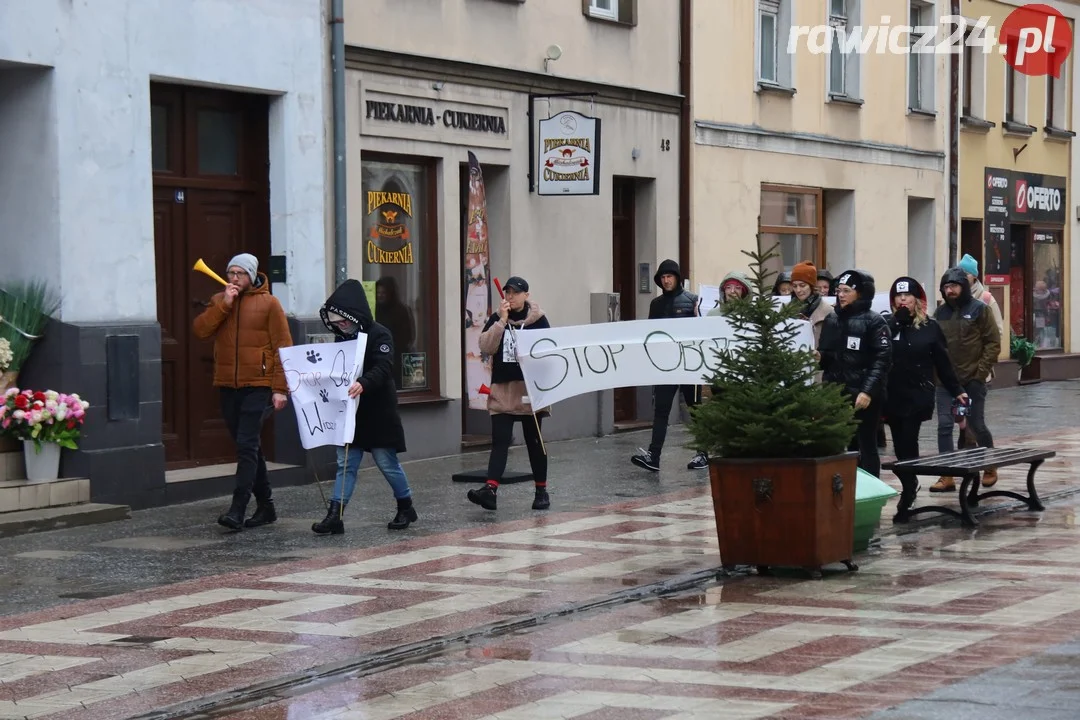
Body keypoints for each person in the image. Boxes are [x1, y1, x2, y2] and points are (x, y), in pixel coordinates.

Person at [192, 253, 292, 530]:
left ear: (252, 275)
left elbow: (283, 346)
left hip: (258, 386)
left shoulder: (270, 303)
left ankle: (237, 509)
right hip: (228, 385)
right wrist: (224, 304)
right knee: (248, 446)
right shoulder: (220, 300)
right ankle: (267, 506)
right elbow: (200, 330)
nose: (234, 278)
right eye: (231, 273)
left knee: (247, 445)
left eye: (240, 273)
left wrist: (280, 389)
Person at [311, 279, 418, 534]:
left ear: (355, 315)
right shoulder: (342, 339)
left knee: (385, 460)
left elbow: (383, 366)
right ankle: (334, 515)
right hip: (351, 410)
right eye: (336, 323)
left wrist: (363, 383)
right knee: (345, 462)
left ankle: (406, 505)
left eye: (343, 321)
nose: (340, 327)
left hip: (378, 409)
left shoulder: (380, 333)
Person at [883, 276, 967, 519]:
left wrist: (956, 389)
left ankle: (909, 490)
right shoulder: (888, 325)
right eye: (898, 296)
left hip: (918, 393)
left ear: (916, 299)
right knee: (899, 445)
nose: (902, 300)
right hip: (893, 394)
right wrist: (895, 325)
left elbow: (943, 363)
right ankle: (910, 481)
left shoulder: (930, 327)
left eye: (906, 296)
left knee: (909, 440)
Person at [468, 276, 551, 511]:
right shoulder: (497, 318)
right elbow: (485, 347)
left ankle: (541, 490)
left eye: (516, 292)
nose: (511, 296)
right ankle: (490, 490)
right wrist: (501, 322)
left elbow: (548, 350)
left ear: (526, 295)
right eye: (508, 292)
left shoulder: (538, 320)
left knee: (535, 442)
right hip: (503, 390)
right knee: (500, 441)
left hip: (529, 390)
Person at [631, 260, 708, 473]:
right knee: (661, 411)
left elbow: (704, 329)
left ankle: (703, 453)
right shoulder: (656, 304)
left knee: (695, 409)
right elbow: (651, 333)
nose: (666, 280)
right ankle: (653, 456)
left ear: (677, 277)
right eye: (663, 277)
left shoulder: (692, 300)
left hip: (689, 365)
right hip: (665, 366)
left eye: (669, 276)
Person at [930, 267, 1001, 492]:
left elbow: (992, 343)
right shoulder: (939, 314)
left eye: (954, 286)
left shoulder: (980, 309)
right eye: (946, 287)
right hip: (945, 381)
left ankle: (989, 465)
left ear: (964, 286)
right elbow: (934, 345)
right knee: (944, 426)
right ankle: (947, 473)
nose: (950, 290)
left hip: (973, 379)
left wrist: (980, 374)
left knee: (976, 425)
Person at [818, 269, 892, 478]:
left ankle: (870, 489)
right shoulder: (832, 319)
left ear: (861, 293)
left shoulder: (875, 322)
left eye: (847, 291)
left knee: (866, 443)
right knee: (846, 446)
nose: (841, 295)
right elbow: (829, 355)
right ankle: (849, 491)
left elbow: (882, 360)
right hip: (837, 394)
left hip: (864, 396)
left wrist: (867, 391)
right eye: (839, 290)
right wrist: (819, 357)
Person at [958, 254, 1004, 382]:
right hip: (957, 370)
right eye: (960, 273)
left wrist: (983, 366)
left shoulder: (986, 299)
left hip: (978, 370)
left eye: (966, 274)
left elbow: (998, 333)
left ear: (974, 276)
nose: (963, 277)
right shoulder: (952, 298)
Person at [375, 276, 416, 388]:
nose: (380, 295)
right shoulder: (374, 309)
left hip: (396, 359)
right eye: (378, 292)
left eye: (383, 293)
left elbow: (408, 336)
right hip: (377, 358)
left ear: (390, 293)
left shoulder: (401, 310)